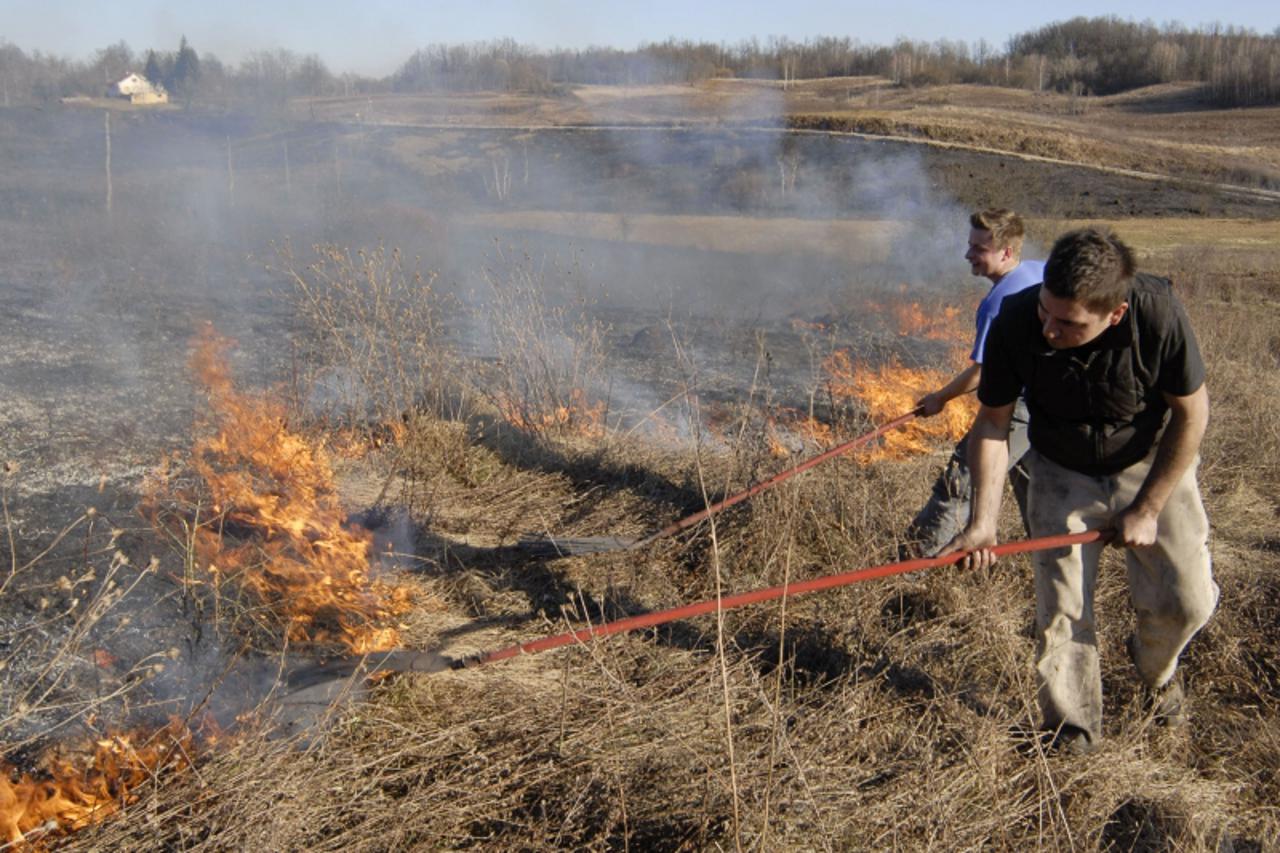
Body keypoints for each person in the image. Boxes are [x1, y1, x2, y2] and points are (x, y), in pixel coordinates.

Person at [946, 227, 1217, 755]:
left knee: (1187, 602)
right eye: (1046, 311)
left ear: (1114, 313)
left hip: (1150, 462)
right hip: (1059, 468)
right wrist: (983, 521)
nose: (1048, 328)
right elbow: (994, 424)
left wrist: (1149, 506)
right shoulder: (1017, 319)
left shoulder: (1156, 315)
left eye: (1067, 323)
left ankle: (1156, 671)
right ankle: (1072, 727)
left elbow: (1192, 414)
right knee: (1062, 611)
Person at [904, 209, 1044, 557]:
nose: (968, 255)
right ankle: (1048, 559)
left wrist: (940, 398)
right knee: (1038, 491)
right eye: (970, 245)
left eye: (979, 248)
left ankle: (917, 563)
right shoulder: (1039, 270)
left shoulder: (999, 303)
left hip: (1023, 407)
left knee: (964, 478)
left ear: (1006, 252)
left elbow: (984, 372)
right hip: (1052, 404)